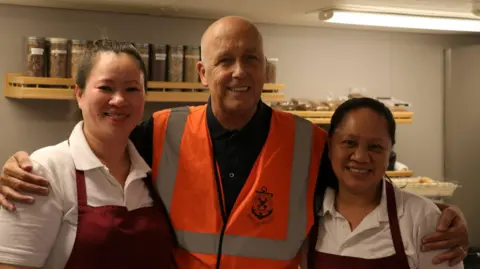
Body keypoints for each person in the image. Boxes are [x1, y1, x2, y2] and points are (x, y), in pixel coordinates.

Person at [0, 16, 469, 269]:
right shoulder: (160, 131)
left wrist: (444, 217)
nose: (239, 71)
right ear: (203, 72)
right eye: (225, 60)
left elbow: (363, 183)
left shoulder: (310, 142)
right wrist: (22, 163)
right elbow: (98, 138)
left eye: (251, 59)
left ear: (266, 70)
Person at [0, 39, 175, 269]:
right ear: (79, 93)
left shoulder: (152, 169)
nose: (119, 99)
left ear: (144, 97)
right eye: (106, 87)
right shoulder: (44, 170)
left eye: (132, 89)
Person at [304, 97, 464, 269]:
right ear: (330, 146)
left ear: (390, 154)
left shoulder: (423, 219)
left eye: (375, 147)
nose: (360, 157)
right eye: (349, 143)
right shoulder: (306, 215)